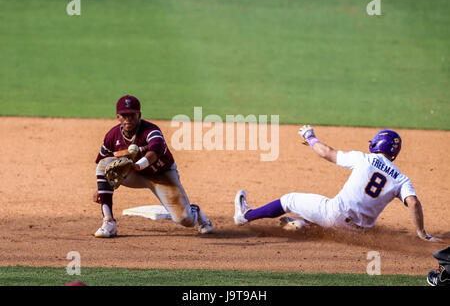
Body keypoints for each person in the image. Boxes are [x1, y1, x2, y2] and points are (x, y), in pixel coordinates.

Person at [233, 125, 440, 241]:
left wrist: (310, 137)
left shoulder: (364, 158)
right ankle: (303, 225)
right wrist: (422, 233)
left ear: (376, 144)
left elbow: (327, 153)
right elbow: (413, 203)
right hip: (359, 233)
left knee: (289, 200)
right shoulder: (402, 178)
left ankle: (245, 216)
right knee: (324, 214)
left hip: (334, 215)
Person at [93, 95, 213, 237]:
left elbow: (155, 150)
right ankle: (109, 222)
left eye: (132, 115)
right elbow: (102, 160)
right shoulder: (112, 136)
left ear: (139, 115)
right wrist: (101, 189)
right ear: (118, 116)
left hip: (162, 176)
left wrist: (139, 165)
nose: (128, 119)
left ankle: (195, 211)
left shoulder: (150, 130)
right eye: (124, 115)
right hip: (135, 175)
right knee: (104, 164)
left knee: (184, 219)